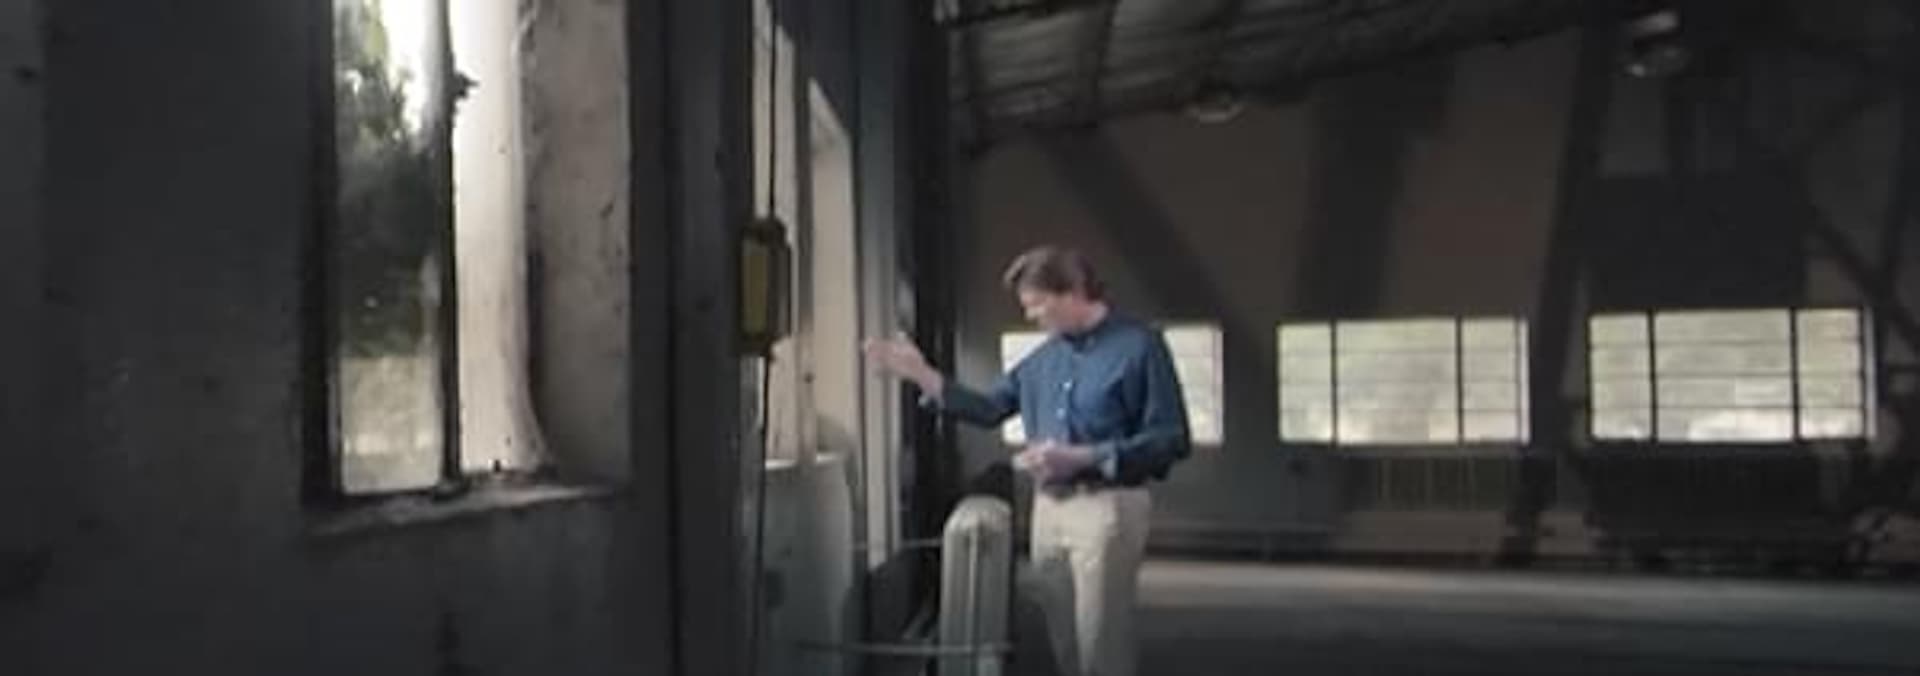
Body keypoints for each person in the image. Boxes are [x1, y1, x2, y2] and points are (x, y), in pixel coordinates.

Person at [864, 245, 1191, 676]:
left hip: (1107, 506)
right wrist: (922, 375)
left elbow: (1171, 438)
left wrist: (1086, 456)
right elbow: (988, 408)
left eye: (1038, 305)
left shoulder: (1140, 347)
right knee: (1063, 639)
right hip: (1048, 509)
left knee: (1101, 638)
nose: (1031, 316)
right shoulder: (1043, 360)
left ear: (1073, 292)